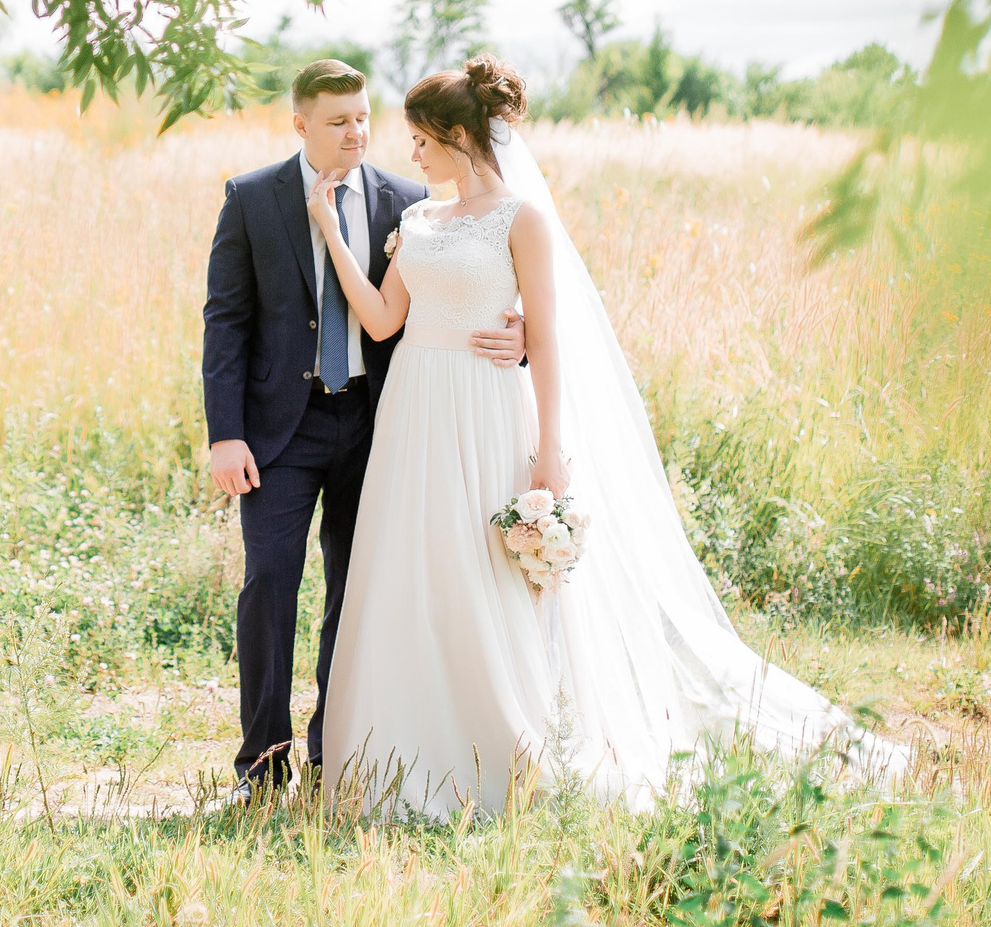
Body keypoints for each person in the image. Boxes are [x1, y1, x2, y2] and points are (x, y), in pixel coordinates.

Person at [312, 56, 901, 817]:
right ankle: (400, 754)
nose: (412, 155)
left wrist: (550, 446)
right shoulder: (418, 219)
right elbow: (384, 319)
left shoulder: (521, 218)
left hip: (486, 410)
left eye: (422, 139)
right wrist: (330, 227)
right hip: (414, 415)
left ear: (458, 135)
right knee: (413, 570)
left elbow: (550, 340)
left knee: (483, 575)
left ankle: (502, 748)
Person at [200, 59, 526, 798]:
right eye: (337, 120)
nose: (356, 132)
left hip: (381, 423)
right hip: (281, 428)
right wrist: (227, 432)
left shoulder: (409, 199)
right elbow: (227, 319)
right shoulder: (252, 197)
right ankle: (261, 760)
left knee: (358, 591)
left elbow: (479, 274)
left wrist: (524, 332)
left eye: (362, 118)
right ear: (300, 124)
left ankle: (332, 752)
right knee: (270, 584)